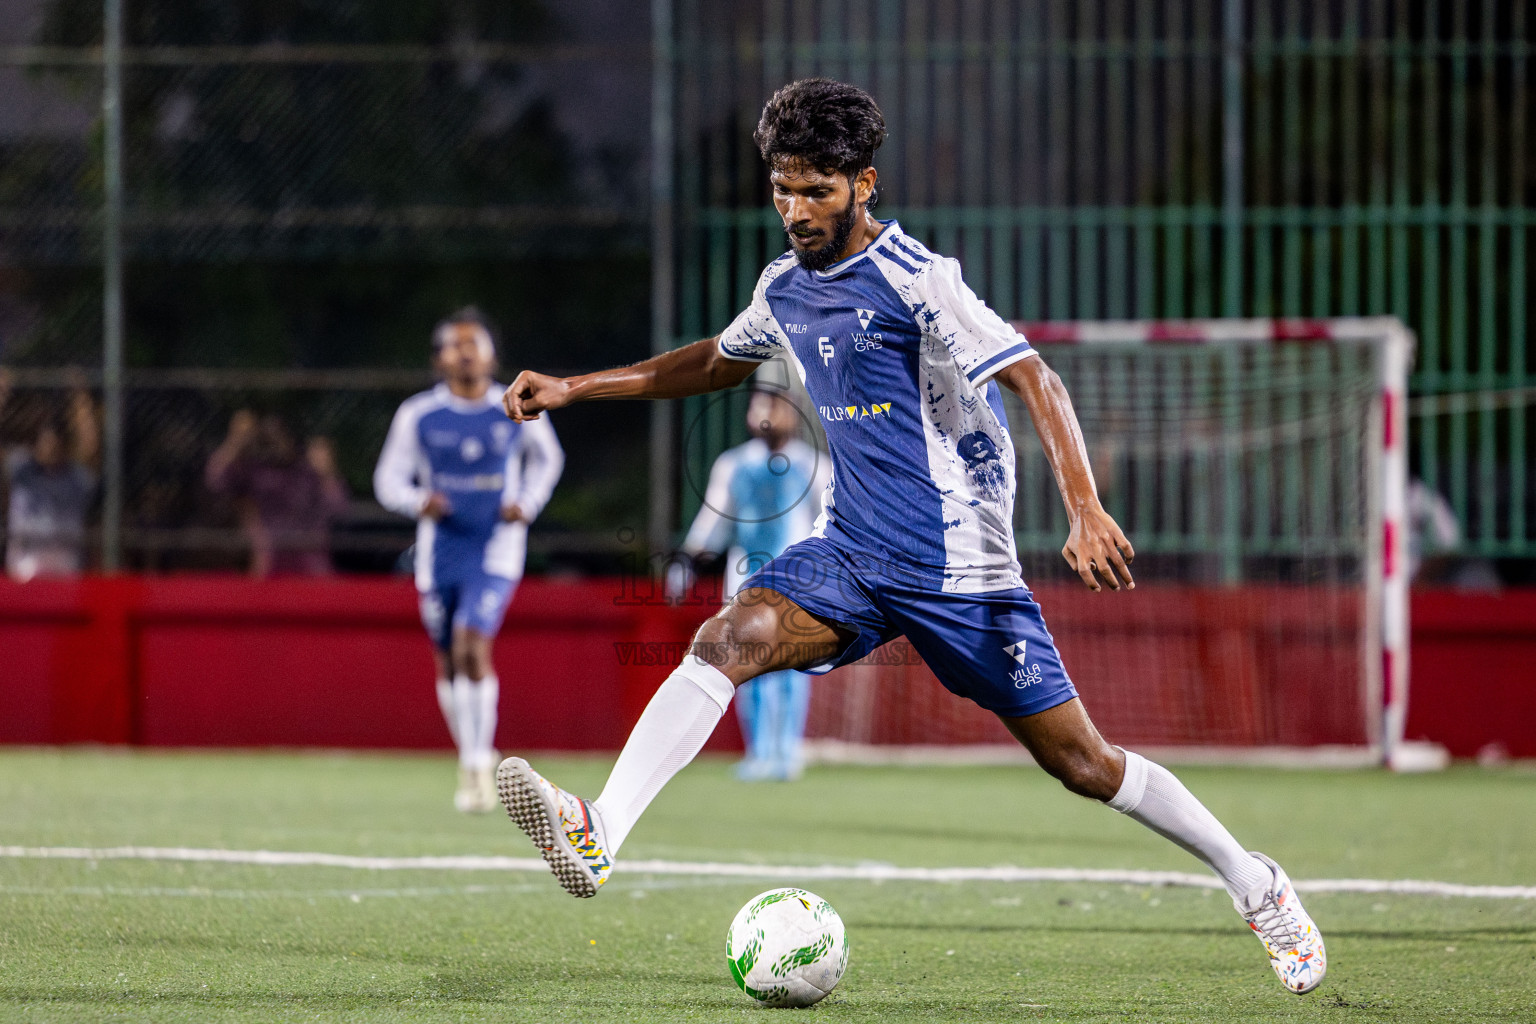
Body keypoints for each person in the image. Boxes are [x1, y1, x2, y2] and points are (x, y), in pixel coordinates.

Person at [495, 80, 1325, 995]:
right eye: (782, 188)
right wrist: (578, 388)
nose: (795, 210)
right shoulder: (785, 287)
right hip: (850, 553)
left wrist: (1085, 507)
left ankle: (1257, 883)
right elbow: (711, 363)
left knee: (1084, 764)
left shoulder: (919, 279)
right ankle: (600, 829)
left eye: (816, 190)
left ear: (864, 184)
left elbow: (1036, 378)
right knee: (727, 638)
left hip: (960, 572)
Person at [374, 308, 564, 813]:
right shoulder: (418, 415)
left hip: (496, 547)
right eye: (455, 345)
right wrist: (418, 501)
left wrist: (527, 501)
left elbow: (549, 459)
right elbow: (388, 480)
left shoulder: (514, 406)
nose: (465, 352)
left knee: (470, 643)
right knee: (446, 657)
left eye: (474, 343)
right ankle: (471, 755)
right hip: (440, 552)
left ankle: (479, 765)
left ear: (491, 354)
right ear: (439, 358)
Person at [667, 378, 830, 780]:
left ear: (793, 416)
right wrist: (688, 558)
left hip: (796, 578)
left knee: (793, 665)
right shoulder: (734, 464)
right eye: (760, 407)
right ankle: (759, 750)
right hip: (745, 578)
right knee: (747, 664)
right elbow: (714, 521)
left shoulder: (814, 465)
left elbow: (828, 523)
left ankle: (787, 749)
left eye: (777, 407)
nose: (768, 415)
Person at [205, 411, 349, 577]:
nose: (275, 442)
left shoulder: (306, 471)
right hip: (267, 557)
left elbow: (339, 507)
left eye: (280, 434)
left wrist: (327, 472)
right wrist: (236, 440)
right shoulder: (254, 470)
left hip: (309, 557)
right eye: (269, 436)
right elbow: (215, 480)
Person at [1, 372, 100, 580]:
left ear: (64, 446)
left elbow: (90, 447)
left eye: (56, 443)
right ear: (35, 445)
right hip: (24, 569)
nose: (51, 448)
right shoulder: (22, 470)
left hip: (65, 570)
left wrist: (80, 400)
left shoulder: (75, 477)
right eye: (45, 442)